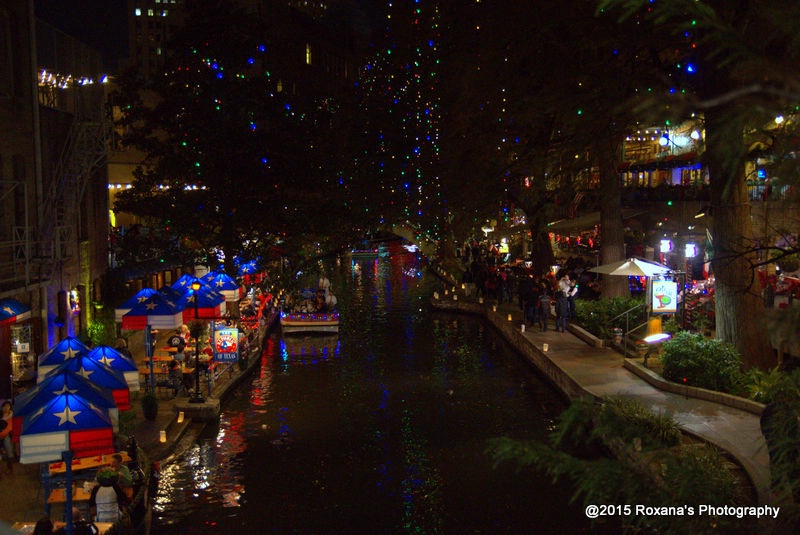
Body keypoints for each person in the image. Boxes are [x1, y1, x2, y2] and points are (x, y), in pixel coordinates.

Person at [0, 400, 14, 476]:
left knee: (10, 454)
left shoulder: (12, 416)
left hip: (6, 436)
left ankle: (10, 469)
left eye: (8, 406)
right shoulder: (1, 415)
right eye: (4, 406)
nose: (6, 408)